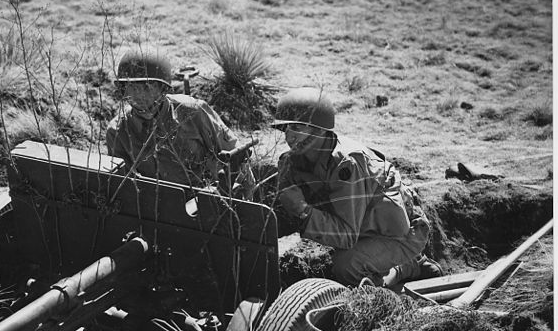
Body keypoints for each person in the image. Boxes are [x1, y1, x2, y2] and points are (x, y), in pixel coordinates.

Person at [273, 87, 443, 287]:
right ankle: (402, 266)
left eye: (298, 129)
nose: (289, 137)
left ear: (319, 130)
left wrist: (303, 211)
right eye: (286, 129)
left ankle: (401, 271)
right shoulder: (291, 162)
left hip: (401, 234)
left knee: (347, 265)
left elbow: (346, 236)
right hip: (364, 227)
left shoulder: (347, 164)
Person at [106, 47, 254, 195]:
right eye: (131, 87)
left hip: (204, 198)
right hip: (150, 204)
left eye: (146, 87)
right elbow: (122, 184)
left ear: (162, 88)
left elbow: (236, 156)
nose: (138, 94)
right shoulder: (118, 130)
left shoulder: (193, 111)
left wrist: (245, 197)